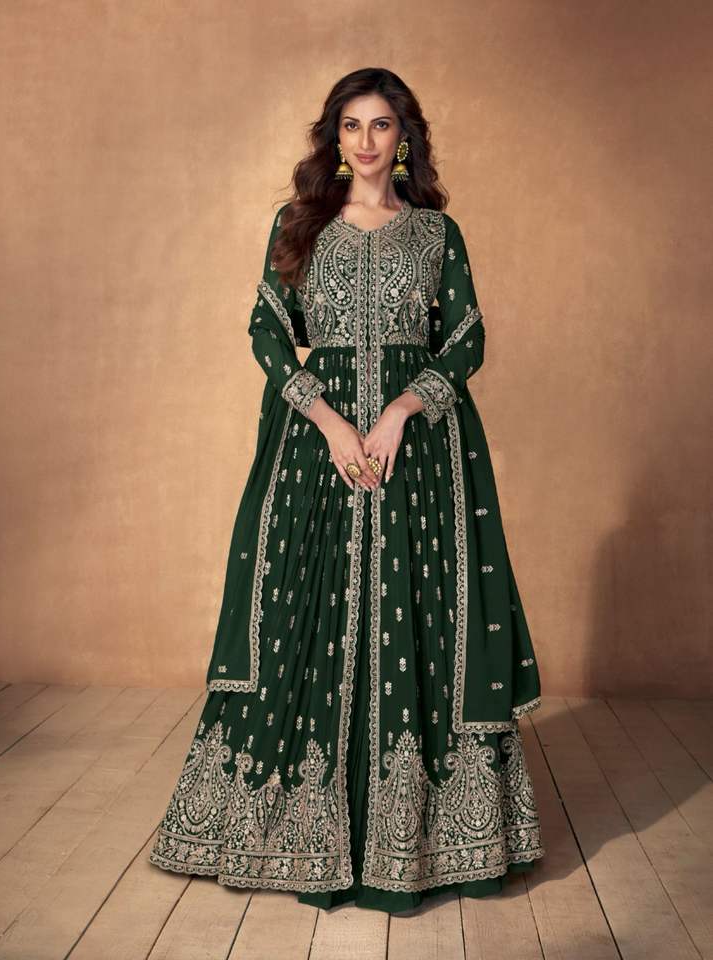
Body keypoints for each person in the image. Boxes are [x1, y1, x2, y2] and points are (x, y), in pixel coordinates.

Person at [149, 66, 544, 915]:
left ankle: (422, 842)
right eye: (352, 125)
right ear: (334, 137)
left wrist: (402, 409)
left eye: (382, 125)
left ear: (404, 139)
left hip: (417, 457)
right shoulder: (298, 225)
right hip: (315, 453)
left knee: (420, 615)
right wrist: (326, 420)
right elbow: (266, 329)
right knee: (297, 613)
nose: (366, 141)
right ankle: (288, 832)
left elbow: (465, 339)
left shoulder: (436, 233)